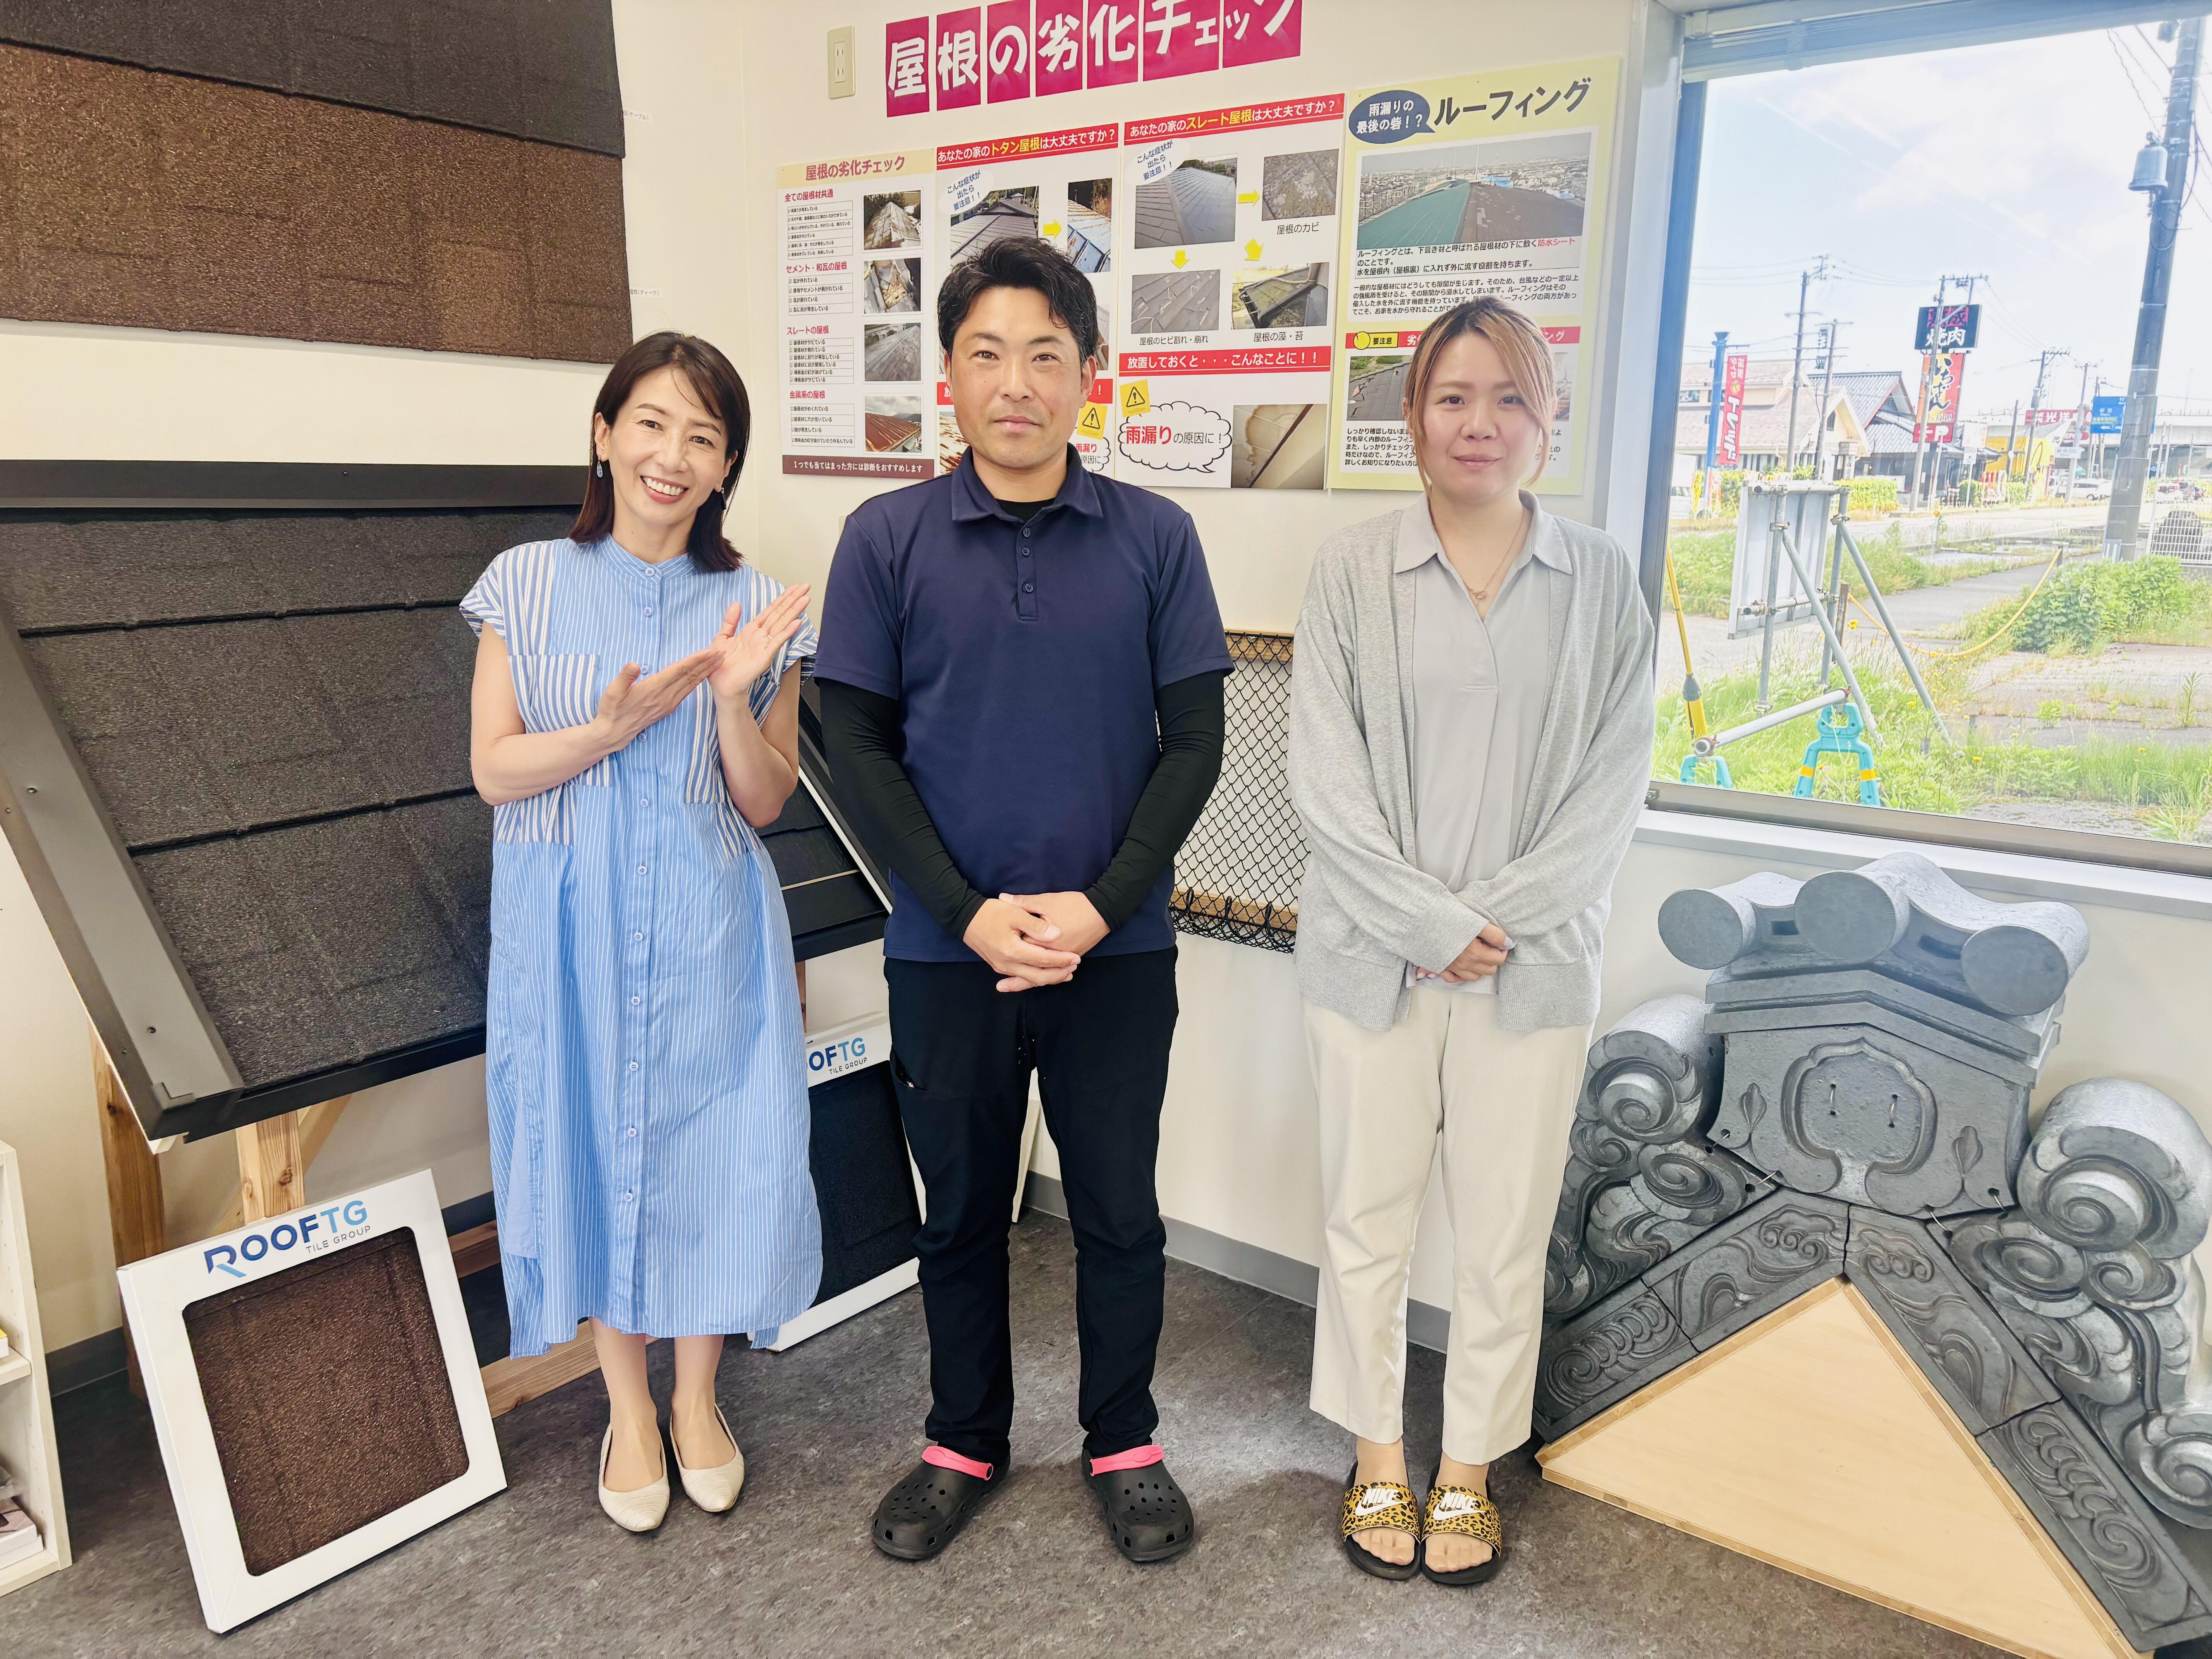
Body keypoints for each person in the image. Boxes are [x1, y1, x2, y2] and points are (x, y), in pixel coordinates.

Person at [816, 237, 1230, 1565]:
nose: (1017, 383)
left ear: (1089, 374)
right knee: (959, 1212)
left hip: (1120, 951)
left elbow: (1195, 743)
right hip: (950, 953)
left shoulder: (1157, 538)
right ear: (947, 373)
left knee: (1119, 1209)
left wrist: (1102, 908)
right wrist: (964, 909)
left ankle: (1124, 1438)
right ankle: (964, 1437)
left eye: (1046, 355)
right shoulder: (884, 540)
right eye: (987, 353)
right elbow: (856, 744)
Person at [1287, 298, 1654, 1587]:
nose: (1480, 422)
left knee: (1503, 1231)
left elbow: (1613, 789)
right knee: (1366, 1219)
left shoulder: (1603, 580)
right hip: (1370, 962)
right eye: (1453, 396)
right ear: (1412, 417)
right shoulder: (1350, 570)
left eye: (1510, 397)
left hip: (1532, 971)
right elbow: (1325, 778)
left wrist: (1492, 924)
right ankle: (1378, 1453)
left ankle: (1469, 1470)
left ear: (1549, 420)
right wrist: (1432, 925)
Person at [463, 331, 821, 1534]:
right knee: (591, 1142)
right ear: (605, 435)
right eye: (653, 424)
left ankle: (698, 1398)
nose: (673, 456)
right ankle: (627, 1408)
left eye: (704, 437)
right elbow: (495, 770)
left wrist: (727, 696)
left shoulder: (758, 606)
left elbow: (764, 799)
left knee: (715, 1145)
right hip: (565, 922)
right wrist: (607, 733)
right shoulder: (522, 583)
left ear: (726, 467)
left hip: (710, 919)